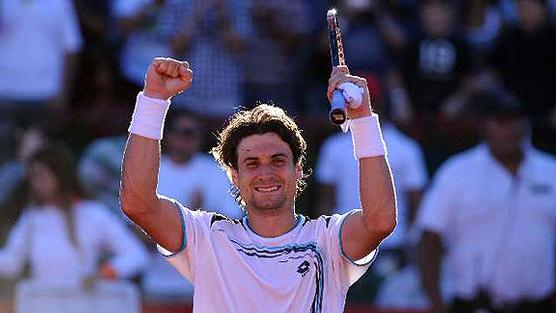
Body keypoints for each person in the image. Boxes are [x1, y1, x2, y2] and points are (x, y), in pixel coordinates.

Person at [120, 57, 397, 312]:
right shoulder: (206, 237)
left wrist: (362, 120)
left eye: (277, 160)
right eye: (252, 163)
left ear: (298, 169)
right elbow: (138, 204)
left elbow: (380, 221)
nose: (266, 172)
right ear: (234, 176)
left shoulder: (327, 239)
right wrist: (153, 100)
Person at [416, 89, 556, 313]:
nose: (510, 129)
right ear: (484, 126)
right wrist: (437, 304)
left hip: (538, 305)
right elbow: (429, 239)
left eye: (516, 120)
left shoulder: (550, 171)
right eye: (501, 121)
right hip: (473, 304)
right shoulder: (457, 172)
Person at [0, 143, 148, 286]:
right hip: (45, 304)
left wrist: (104, 274)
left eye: (41, 175)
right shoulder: (32, 218)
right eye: (33, 177)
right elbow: (11, 264)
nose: (35, 183)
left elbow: (136, 255)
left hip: (85, 305)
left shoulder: (94, 214)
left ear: (60, 175)